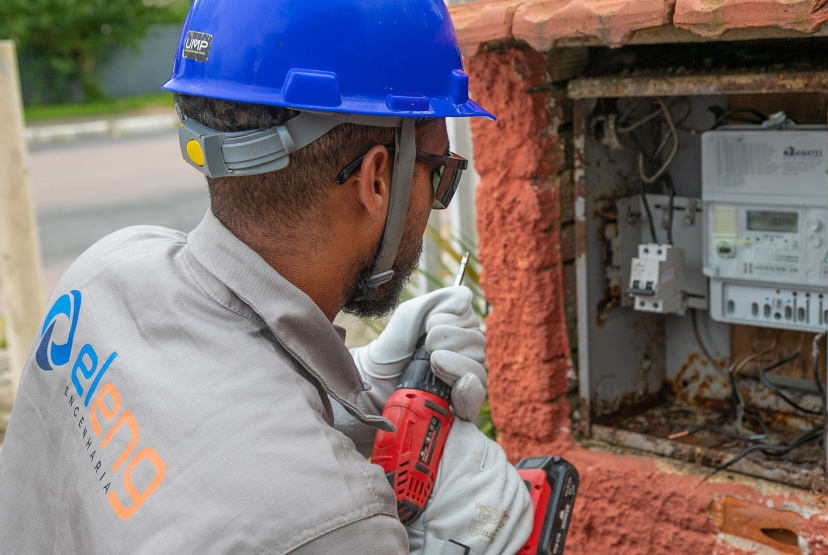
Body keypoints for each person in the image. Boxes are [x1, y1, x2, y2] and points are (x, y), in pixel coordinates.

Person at [0, 0, 533, 553]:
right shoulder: (330, 524)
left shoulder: (104, 271)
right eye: (439, 175)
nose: (434, 202)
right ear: (376, 178)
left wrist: (351, 388)